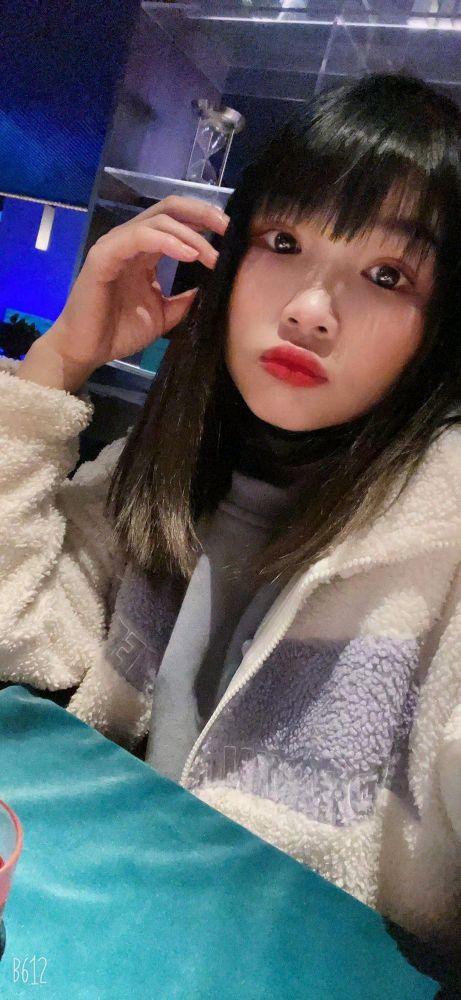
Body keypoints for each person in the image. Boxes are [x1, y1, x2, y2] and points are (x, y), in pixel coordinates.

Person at [1, 71, 460, 962]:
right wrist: (58, 362)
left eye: (386, 274)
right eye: (282, 241)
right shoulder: (163, 471)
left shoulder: (439, 537)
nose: (309, 311)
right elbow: (14, 633)